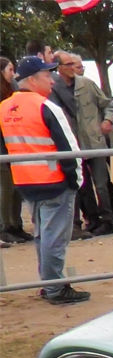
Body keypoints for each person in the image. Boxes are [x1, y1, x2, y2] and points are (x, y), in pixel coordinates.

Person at [0, 55, 89, 304]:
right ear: (32, 79)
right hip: (54, 180)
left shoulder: (4, 107)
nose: (52, 80)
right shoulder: (46, 106)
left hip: (25, 181)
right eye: (47, 75)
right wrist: (76, 180)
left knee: (43, 235)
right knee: (54, 236)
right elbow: (69, 148)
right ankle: (54, 287)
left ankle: (49, 282)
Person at [53, 51, 113, 234]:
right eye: (68, 64)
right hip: (72, 144)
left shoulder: (87, 84)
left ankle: (108, 220)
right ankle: (91, 219)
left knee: (101, 183)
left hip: (93, 141)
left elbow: (108, 104)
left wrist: (107, 121)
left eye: (73, 64)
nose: (73, 68)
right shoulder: (53, 88)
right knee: (81, 185)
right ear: (59, 67)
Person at [0, 56, 32, 245]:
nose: (13, 74)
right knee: (6, 189)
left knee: (16, 189)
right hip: (3, 148)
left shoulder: (13, 92)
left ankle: (16, 225)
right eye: (10, 70)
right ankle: (5, 227)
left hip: (14, 146)